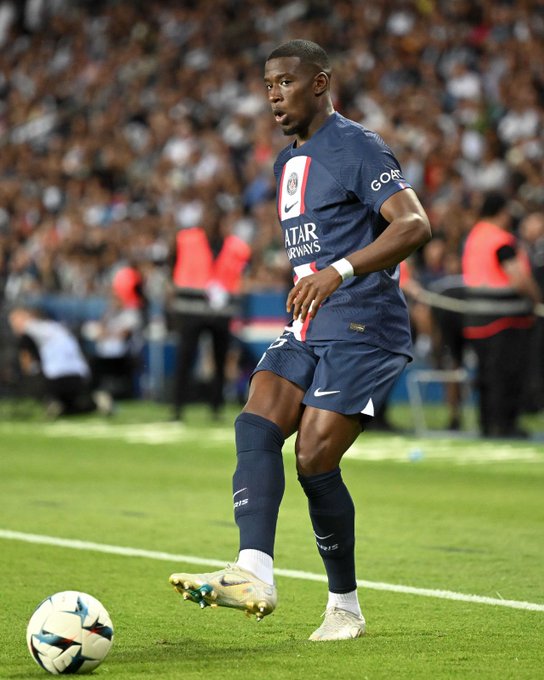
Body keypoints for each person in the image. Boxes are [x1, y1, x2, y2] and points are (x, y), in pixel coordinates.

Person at [169, 40, 431, 641]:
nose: (274, 95)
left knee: (314, 458)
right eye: (268, 85)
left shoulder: (357, 145)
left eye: (286, 82)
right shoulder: (287, 162)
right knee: (255, 421)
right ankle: (253, 572)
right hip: (310, 321)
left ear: (320, 83)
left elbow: (415, 223)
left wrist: (337, 271)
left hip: (363, 324)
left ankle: (344, 606)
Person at [462, 192, 542, 437]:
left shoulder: (474, 236)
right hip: (505, 319)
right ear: (502, 212)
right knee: (506, 375)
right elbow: (518, 278)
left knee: (486, 375)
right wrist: (537, 299)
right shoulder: (501, 240)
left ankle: (487, 424)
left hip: (476, 318)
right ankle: (505, 425)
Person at [168, 206, 251, 421]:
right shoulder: (187, 239)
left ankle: (216, 407)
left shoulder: (236, 247)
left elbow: (242, 274)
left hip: (221, 311)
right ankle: (177, 407)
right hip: (191, 309)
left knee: (220, 360)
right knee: (185, 358)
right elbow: (172, 263)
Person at [8, 305, 112, 417]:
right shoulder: (57, 327)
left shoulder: (33, 327)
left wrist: (27, 372)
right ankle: (95, 401)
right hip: (79, 373)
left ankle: (53, 402)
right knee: (71, 408)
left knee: (34, 381)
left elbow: (26, 354)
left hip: (56, 375)